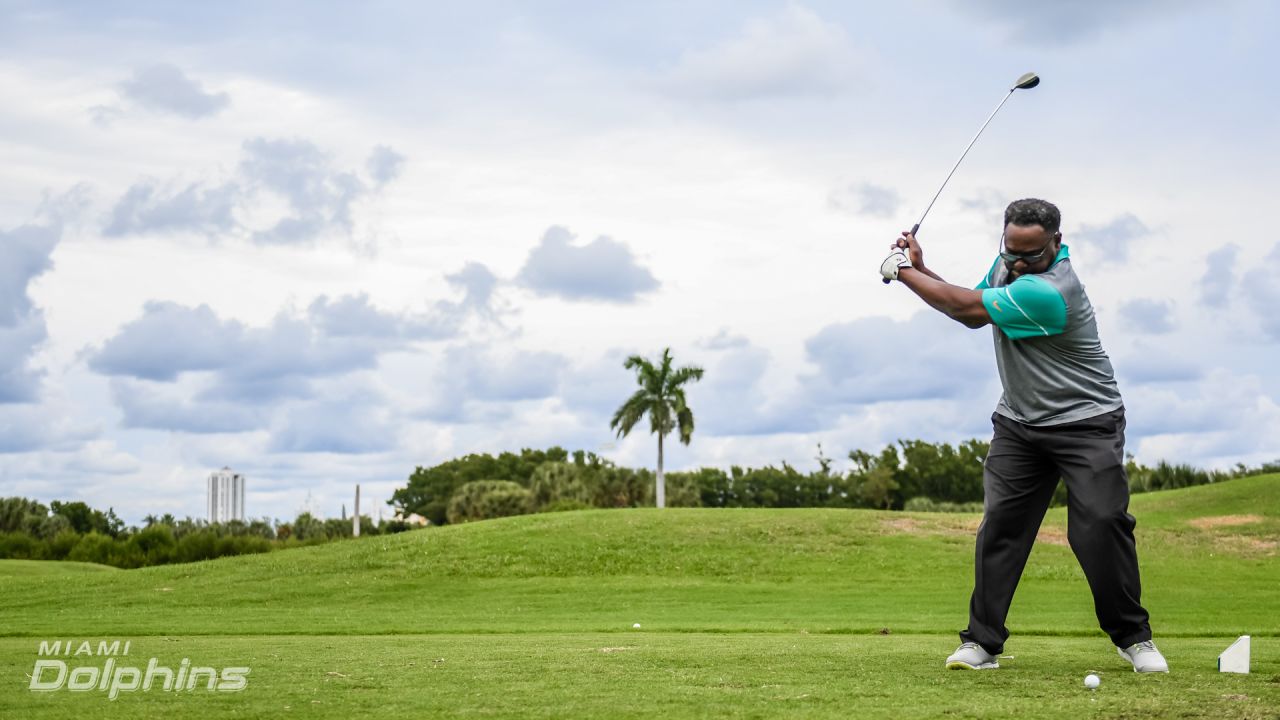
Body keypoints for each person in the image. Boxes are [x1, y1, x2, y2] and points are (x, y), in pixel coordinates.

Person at [879, 198, 1168, 673]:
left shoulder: (1052, 290)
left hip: (1086, 422)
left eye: (1029, 255)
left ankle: (1133, 638)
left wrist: (901, 273)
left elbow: (967, 309)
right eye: (1010, 250)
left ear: (1055, 243)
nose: (1016, 262)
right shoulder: (1009, 264)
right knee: (1001, 528)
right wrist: (922, 267)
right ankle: (982, 644)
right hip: (1019, 423)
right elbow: (970, 305)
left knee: (1099, 525)